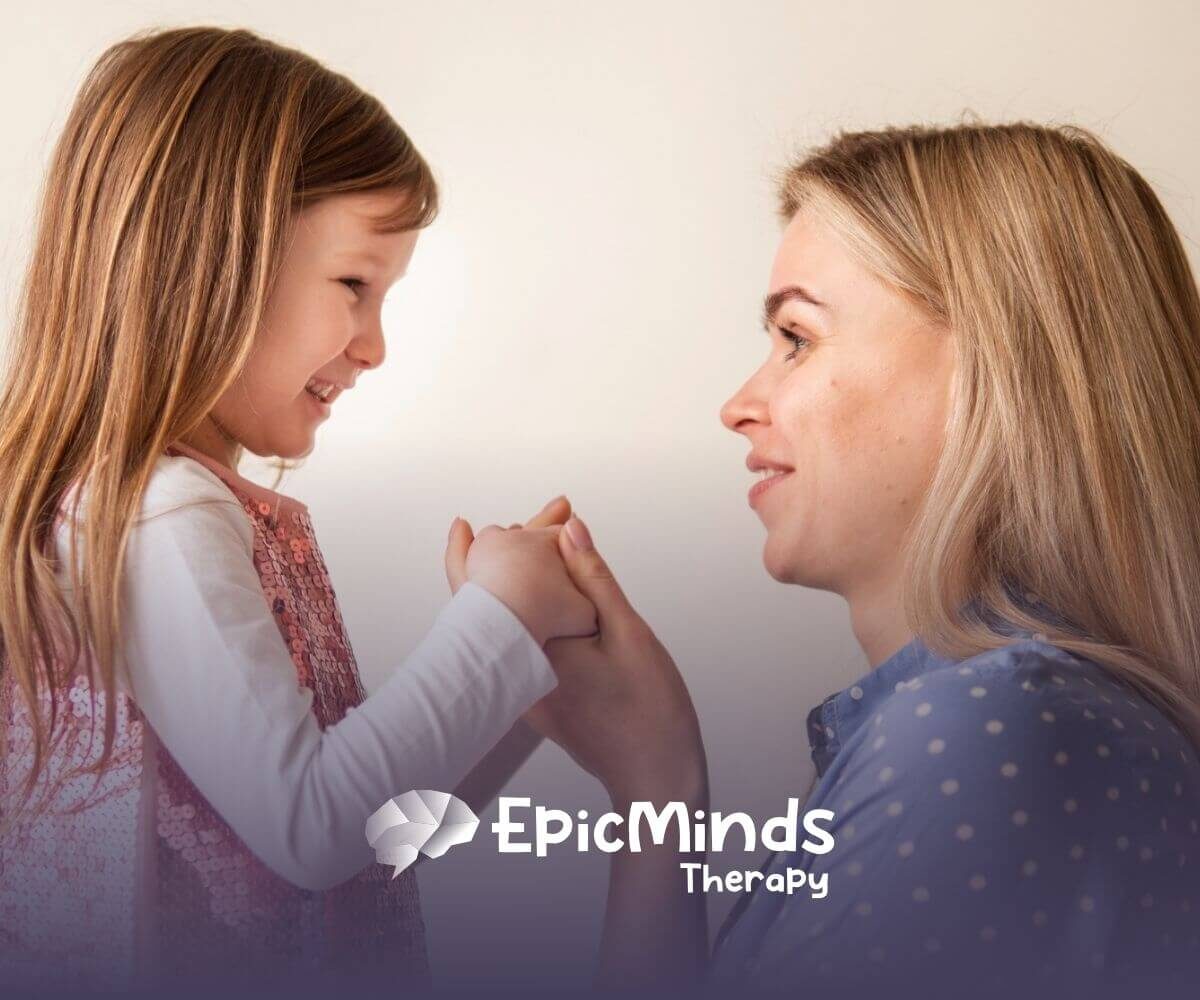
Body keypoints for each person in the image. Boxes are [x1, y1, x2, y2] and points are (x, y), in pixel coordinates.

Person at [495, 122, 1200, 998]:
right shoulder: (1004, 724)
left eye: (797, 338)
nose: (738, 405)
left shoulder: (991, 731)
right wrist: (654, 787)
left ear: (994, 364)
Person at [0, 26, 595, 994]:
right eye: (355, 285)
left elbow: (372, 846)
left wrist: (518, 679)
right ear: (203, 261)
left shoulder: (164, 508)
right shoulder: (157, 513)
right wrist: (501, 621)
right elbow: (314, 830)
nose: (375, 345)